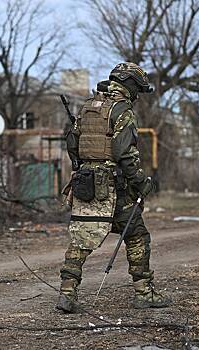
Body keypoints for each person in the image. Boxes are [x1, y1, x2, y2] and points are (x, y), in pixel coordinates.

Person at [57, 62, 172, 312]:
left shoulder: (88, 107)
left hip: (86, 184)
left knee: (81, 238)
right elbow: (125, 154)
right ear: (130, 86)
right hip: (114, 188)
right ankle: (144, 293)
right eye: (138, 90)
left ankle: (67, 293)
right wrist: (141, 183)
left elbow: (72, 143)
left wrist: (84, 167)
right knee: (137, 235)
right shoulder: (122, 111)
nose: (138, 96)